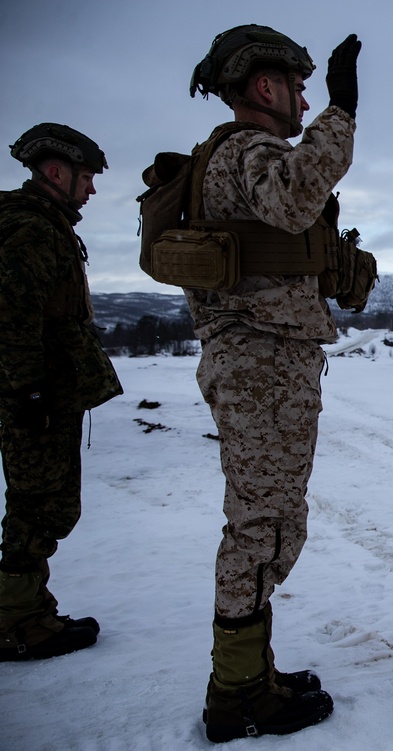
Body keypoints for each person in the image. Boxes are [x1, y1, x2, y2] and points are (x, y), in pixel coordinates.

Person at [184, 25, 360, 741]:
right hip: (260, 364)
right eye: (300, 85)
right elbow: (292, 198)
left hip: (262, 362)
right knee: (263, 526)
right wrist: (343, 113)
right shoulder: (249, 150)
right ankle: (236, 694)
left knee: (269, 519)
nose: (307, 97)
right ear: (266, 86)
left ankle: (250, 672)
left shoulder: (228, 158)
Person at [0, 124, 122, 661]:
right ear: (57, 172)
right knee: (38, 505)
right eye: (87, 178)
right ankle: (16, 621)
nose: (91, 190)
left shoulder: (43, 224)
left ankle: (26, 610)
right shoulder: (30, 229)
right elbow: (13, 317)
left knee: (40, 503)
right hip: (37, 396)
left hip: (43, 391)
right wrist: (26, 391)